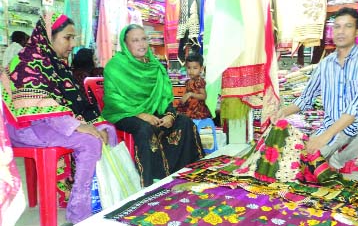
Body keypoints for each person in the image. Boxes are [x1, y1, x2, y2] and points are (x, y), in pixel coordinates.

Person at [1, 13, 117, 224]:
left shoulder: (55, 64)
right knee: (90, 142)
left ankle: (97, 198)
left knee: (104, 130)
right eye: (67, 38)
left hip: (46, 123)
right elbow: (39, 107)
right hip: (24, 128)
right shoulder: (28, 62)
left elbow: (72, 103)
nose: (72, 44)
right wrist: (79, 127)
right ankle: (79, 213)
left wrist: (91, 124)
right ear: (48, 36)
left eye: (73, 38)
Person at [274, 7, 358, 170]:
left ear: (357, 32)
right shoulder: (325, 64)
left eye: (348, 26)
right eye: (337, 26)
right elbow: (306, 98)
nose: (341, 31)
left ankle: (337, 161)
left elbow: (357, 107)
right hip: (332, 124)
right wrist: (282, 113)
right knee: (303, 166)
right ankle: (328, 154)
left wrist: (326, 135)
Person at [102, 24, 205, 187]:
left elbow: (165, 97)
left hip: (153, 113)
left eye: (144, 39)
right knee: (144, 128)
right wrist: (141, 115)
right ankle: (148, 182)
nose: (141, 44)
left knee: (184, 122)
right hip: (125, 114)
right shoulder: (115, 67)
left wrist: (170, 115)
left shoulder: (155, 66)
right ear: (125, 44)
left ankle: (184, 173)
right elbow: (114, 100)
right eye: (135, 40)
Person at [177, 53, 212, 119]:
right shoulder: (188, 82)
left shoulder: (199, 81)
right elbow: (186, 94)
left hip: (197, 109)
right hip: (189, 106)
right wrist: (183, 98)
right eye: (189, 68)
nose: (191, 71)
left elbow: (203, 96)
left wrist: (191, 94)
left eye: (195, 68)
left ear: (201, 69)